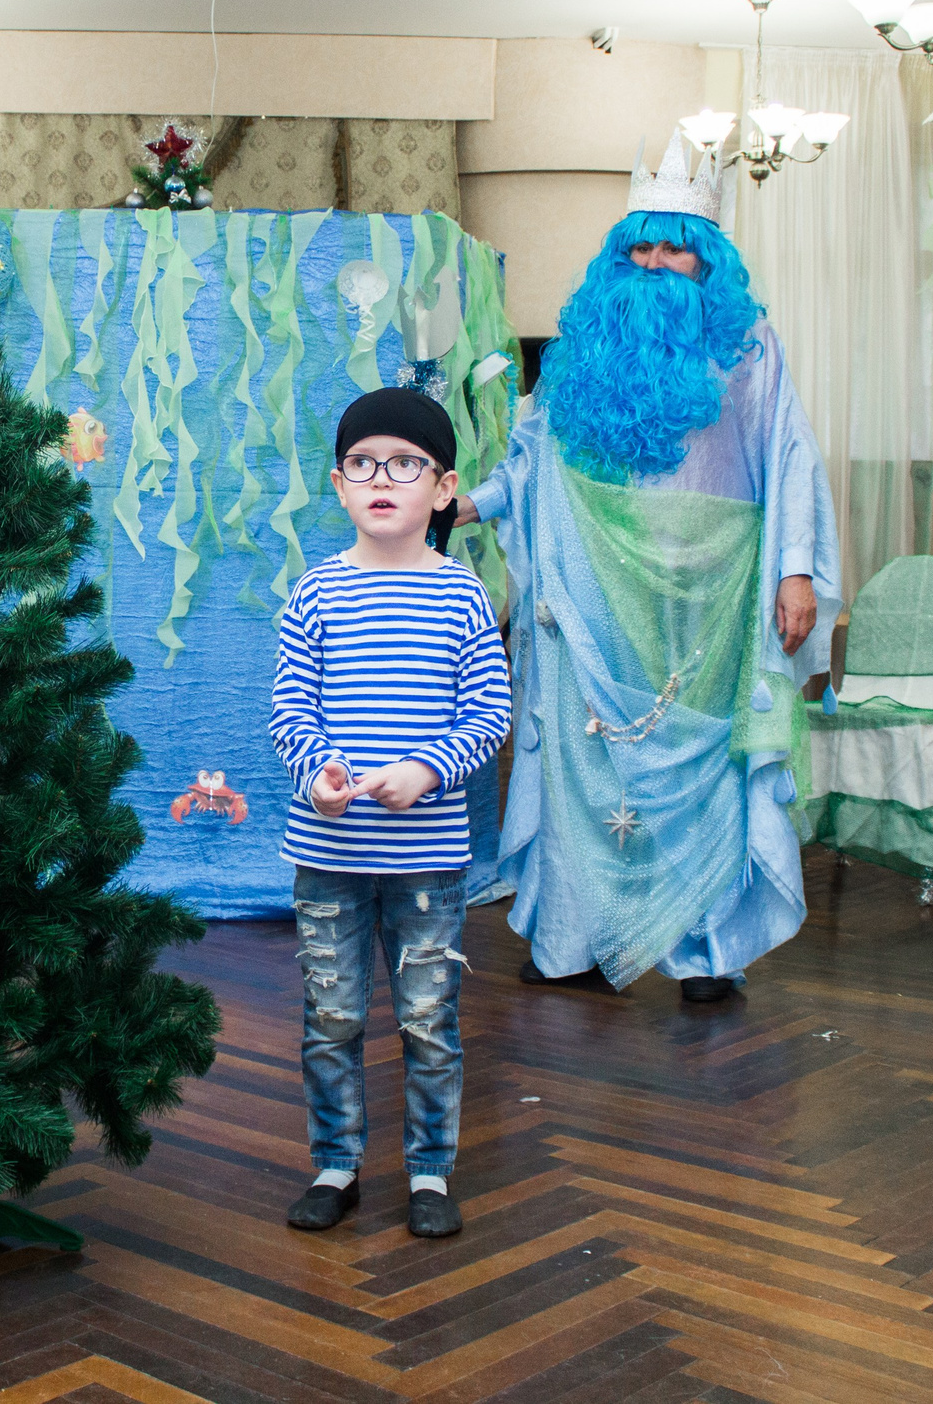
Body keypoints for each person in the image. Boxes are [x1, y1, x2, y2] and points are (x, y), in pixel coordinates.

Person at [459, 133, 839, 1004]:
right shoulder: (584, 345)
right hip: (592, 585)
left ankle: (707, 948)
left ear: (709, 261)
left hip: (714, 590)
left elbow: (789, 456)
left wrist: (794, 571)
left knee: (698, 763)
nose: (660, 262)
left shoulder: (749, 345)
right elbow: (535, 461)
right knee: (587, 761)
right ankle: (575, 939)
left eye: (678, 247)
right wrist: (469, 504)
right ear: (620, 253)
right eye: (644, 244)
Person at [269, 388, 511, 1241]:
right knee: (331, 1017)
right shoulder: (316, 593)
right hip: (329, 853)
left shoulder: (462, 598)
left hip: (428, 858)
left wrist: (427, 768)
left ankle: (431, 1171)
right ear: (340, 485)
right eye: (365, 464)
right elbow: (290, 711)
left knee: (427, 1020)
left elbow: (489, 714)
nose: (384, 479)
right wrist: (317, 774)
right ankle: (335, 1163)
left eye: (405, 464)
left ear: (441, 490)